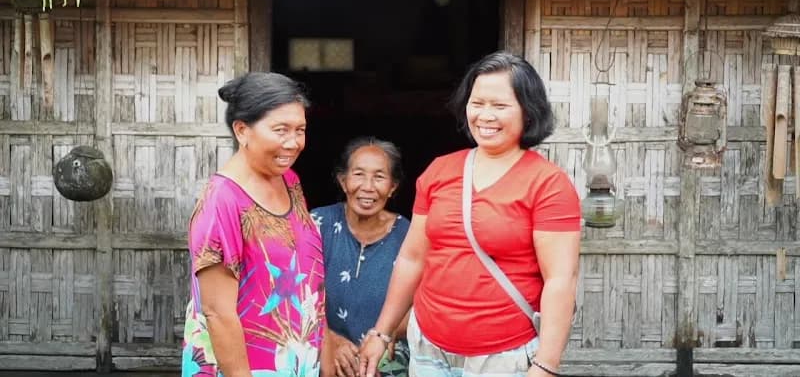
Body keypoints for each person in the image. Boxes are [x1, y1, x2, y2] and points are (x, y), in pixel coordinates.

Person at [358, 51, 582, 377]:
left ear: (528, 112)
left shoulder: (549, 184)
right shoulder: (440, 171)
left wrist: (546, 365)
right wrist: (382, 332)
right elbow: (412, 258)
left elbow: (560, 280)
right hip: (429, 349)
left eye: (499, 105)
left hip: (504, 358)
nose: (485, 115)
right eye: (477, 103)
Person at [182, 72, 325, 377]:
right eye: (281, 130)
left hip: (293, 360)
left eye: (300, 130)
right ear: (242, 130)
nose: (294, 142)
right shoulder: (222, 201)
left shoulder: (289, 181)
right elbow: (218, 313)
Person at [312, 137, 411, 377]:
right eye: (358, 174)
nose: (368, 186)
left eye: (379, 177)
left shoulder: (409, 235)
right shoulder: (316, 225)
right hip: (324, 353)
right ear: (343, 181)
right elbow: (292, 292)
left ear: (393, 186)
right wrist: (330, 339)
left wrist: (382, 337)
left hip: (386, 358)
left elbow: (422, 303)